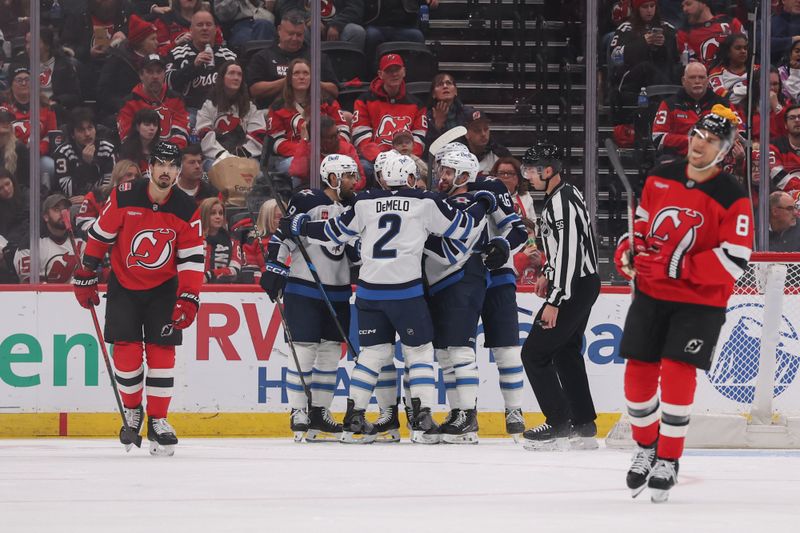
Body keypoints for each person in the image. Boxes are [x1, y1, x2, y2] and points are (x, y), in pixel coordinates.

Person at [279, 151, 498, 444]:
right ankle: (421, 419)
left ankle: (353, 419)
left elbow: (334, 232)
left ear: (383, 177)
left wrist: (301, 226)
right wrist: (483, 203)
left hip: (369, 293)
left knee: (372, 355)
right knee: (418, 352)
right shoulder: (424, 201)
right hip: (406, 292)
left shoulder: (364, 201)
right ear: (409, 178)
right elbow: (463, 229)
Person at [613, 105, 753, 502]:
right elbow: (641, 225)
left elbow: (737, 259)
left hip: (699, 302)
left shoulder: (731, 194)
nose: (699, 145)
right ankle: (645, 449)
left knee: (676, 371)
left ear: (724, 150)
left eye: (710, 141)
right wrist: (629, 251)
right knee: (637, 375)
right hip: (651, 294)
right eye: (697, 136)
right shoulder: (661, 176)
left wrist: (678, 264)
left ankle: (669, 459)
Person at [72, 141, 204, 456]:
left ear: (178, 170)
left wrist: (188, 297)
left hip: (164, 289)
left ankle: (159, 419)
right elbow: (100, 235)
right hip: (124, 285)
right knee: (127, 354)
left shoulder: (187, 208)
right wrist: (88, 269)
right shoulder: (125, 194)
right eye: (161, 164)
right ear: (150, 167)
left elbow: (192, 259)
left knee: (162, 353)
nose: (167, 171)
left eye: (173, 166)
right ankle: (133, 410)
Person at [260, 154, 360, 442]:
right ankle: (298, 411)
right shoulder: (308, 201)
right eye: (349, 176)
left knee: (330, 354)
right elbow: (284, 236)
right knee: (304, 350)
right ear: (333, 178)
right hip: (304, 288)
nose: (354, 181)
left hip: (339, 291)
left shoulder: (355, 208)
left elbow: (354, 251)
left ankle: (320, 411)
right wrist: (275, 269)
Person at [518, 141, 601, 452]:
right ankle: (583, 422)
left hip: (574, 287)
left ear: (548, 170)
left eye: (532, 168)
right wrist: (548, 273)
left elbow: (568, 252)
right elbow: (566, 249)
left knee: (534, 354)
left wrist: (555, 299)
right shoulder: (563, 194)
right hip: (582, 282)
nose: (528, 174)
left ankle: (558, 421)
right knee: (566, 351)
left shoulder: (559, 202)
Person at [266, 58, 349, 175]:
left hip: (329, 154)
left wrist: (329, 147)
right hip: (293, 156)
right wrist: (305, 150)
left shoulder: (327, 102)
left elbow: (343, 131)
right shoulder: (277, 107)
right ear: (289, 79)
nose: (301, 77)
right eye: (296, 73)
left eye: (306, 73)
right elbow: (275, 142)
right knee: (290, 166)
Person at [352, 53, 427, 181]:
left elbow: (418, 138)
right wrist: (383, 160)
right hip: (376, 161)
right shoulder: (364, 101)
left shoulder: (417, 104)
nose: (394, 74)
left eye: (397, 70)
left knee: (425, 170)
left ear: (404, 71)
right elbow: (361, 138)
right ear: (380, 74)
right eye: (389, 70)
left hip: (407, 157)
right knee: (364, 167)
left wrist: (404, 158)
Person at [246, 9, 339, 109]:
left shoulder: (317, 57)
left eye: (299, 35)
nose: (295, 38)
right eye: (290, 34)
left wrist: (314, 82)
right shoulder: (262, 57)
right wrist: (288, 80)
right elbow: (254, 91)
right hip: (272, 112)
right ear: (279, 30)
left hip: (311, 111)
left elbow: (334, 90)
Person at [165, 9, 238, 125]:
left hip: (221, 110)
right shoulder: (177, 53)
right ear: (191, 30)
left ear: (215, 30)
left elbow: (240, 89)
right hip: (189, 110)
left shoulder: (228, 56)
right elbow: (168, 83)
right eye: (199, 25)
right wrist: (193, 66)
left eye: (209, 24)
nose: (204, 28)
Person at [652, 62, 728, 158]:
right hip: (679, 160)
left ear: (708, 80)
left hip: (714, 159)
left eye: (701, 77)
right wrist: (690, 141)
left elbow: (738, 134)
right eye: (692, 77)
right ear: (683, 81)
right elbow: (657, 137)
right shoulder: (669, 104)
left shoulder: (723, 104)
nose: (697, 81)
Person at [196, 60, 266, 163]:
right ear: (222, 77)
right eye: (231, 73)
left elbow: (259, 135)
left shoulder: (250, 107)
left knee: (257, 175)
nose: (236, 78)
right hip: (215, 158)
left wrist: (239, 155)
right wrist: (224, 156)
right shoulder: (209, 105)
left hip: (245, 157)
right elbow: (204, 134)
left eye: (239, 74)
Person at [118, 54, 190, 149]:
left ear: (164, 73)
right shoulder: (129, 103)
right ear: (141, 75)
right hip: (139, 155)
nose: (155, 76)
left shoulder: (176, 99)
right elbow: (127, 138)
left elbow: (181, 133)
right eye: (150, 72)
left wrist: (166, 153)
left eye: (159, 71)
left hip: (170, 156)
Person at [608, 0, 679, 95]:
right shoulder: (625, 29)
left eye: (652, 6)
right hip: (631, 79)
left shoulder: (668, 28)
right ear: (637, 9)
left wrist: (664, 44)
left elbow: (677, 58)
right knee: (646, 67)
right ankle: (669, 95)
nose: (649, 10)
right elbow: (615, 58)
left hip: (663, 75)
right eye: (645, 7)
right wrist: (643, 42)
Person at [97, 14, 160, 118]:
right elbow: (104, 93)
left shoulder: (158, 60)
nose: (157, 43)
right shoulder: (117, 59)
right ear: (141, 42)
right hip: (124, 112)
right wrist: (125, 105)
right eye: (152, 39)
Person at [12, 194, 85, 283]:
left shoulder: (80, 240)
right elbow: (29, 286)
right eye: (56, 209)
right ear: (46, 217)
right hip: (42, 296)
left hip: (72, 295)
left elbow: (86, 277)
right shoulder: (30, 245)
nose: (63, 213)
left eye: (66, 209)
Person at [52, 107, 116, 205]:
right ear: (73, 135)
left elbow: (110, 187)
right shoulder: (63, 152)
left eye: (90, 128)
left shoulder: (107, 149)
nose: (87, 134)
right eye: (81, 130)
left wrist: (89, 198)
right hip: (72, 203)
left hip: (101, 201)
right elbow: (68, 190)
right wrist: (85, 165)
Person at [288, 114, 366, 189]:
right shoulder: (308, 149)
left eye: (337, 133)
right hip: (316, 194)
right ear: (318, 140)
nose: (337, 138)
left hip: (345, 193)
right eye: (331, 137)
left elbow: (360, 179)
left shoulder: (347, 148)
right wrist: (304, 141)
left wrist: (343, 190)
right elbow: (297, 172)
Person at [77, 159, 142, 233]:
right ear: (118, 176)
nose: (133, 179)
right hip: (101, 240)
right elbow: (82, 223)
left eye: (137, 176)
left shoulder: (143, 200)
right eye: (129, 175)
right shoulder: (97, 195)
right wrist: (103, 231)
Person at [677, 0, 744, 66]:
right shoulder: (684, 33)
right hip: (705, 75)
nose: (684, 9)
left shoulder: (731, 23)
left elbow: (745, 52)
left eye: (688, 4)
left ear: (703, 2)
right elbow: (689, 67)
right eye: (683, 6)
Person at [155, 0, 224, 56]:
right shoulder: (165, 20)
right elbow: (159, 53)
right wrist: (177, 43)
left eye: (208, 25)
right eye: (199, 25)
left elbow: (220, 46)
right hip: (176, 63)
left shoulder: (207, 18)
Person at [200, 197, 243, 283]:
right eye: (213, 213)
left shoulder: (233, 241)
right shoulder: (193, 239)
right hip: (194, 286)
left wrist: (209, 275)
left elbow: (235, 269)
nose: (218, 217)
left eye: (221, 213)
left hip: (223, 290)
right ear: (204, 215)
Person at [0, 169, 30, 284]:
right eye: (1, 188)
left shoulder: (27, 195)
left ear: (13, 181)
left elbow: (28, 223)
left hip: (24, 244)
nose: (6, 190)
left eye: (7, 184)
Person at [424, 73, 469, 150]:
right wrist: (437, 124)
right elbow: (427, 149)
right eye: (440, 84)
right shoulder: (425, 117)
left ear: (455, 91)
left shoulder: (468, 113)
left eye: (449, 83)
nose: (445, 86)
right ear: (433, 94)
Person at [708, 33, 753, 106]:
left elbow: (766, 93)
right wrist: (752, 92)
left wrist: (733, 91)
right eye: (738, 48)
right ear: (728, 52)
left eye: (745, 48)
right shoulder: (716, 72)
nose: (743, 51)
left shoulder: (758, 70)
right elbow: (723, 97)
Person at [463, 107, 510, 176]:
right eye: (477, 130)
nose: (483, 134)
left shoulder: (501, 154)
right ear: (466, 134)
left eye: (486, 129)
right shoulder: (457, 155)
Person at [120, 109, 162, 176]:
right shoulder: (126, 150)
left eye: (155, 125)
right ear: (137, 127)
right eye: (147, 124)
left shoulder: (162, 150)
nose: (152, 128)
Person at [0, 110, 29, 189]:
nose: (5, 124)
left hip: (14, 193)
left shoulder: (19, 147)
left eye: (7, 121)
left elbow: (26, 180)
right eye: (1, 121)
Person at [771, 0, 800, 64]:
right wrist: (792, 40)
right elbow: (761, 44)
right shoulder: (769, 22)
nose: (799, 1)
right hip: (773, 70)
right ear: (783, 1)